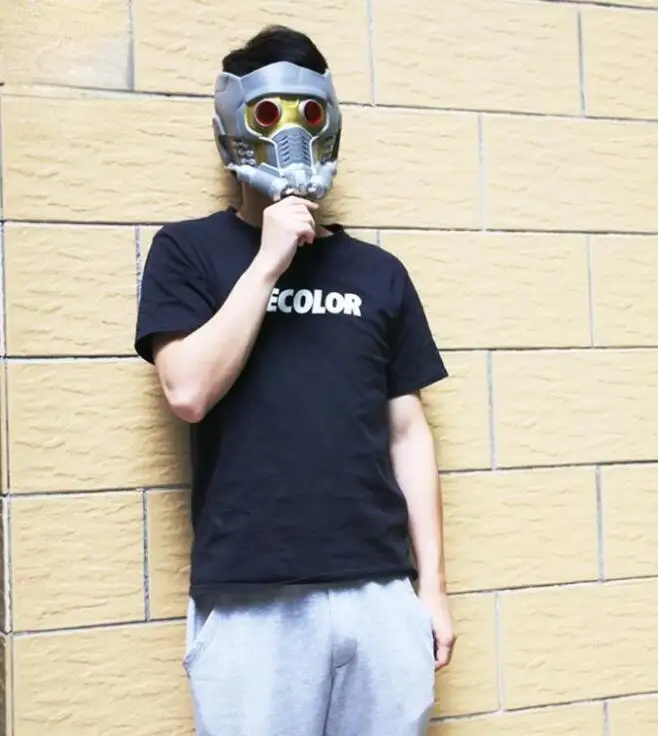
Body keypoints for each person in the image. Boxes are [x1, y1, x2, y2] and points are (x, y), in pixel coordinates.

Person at [135, 24, 456, 736]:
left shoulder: (379, 273)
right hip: (253, 597)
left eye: (308, 114)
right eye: (268, 113)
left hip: (379, 591)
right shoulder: (186, 252)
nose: (291, 136)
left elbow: (408, 434)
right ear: (233, 127)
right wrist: (268, 262)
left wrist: (430, 590)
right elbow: (187, 392)